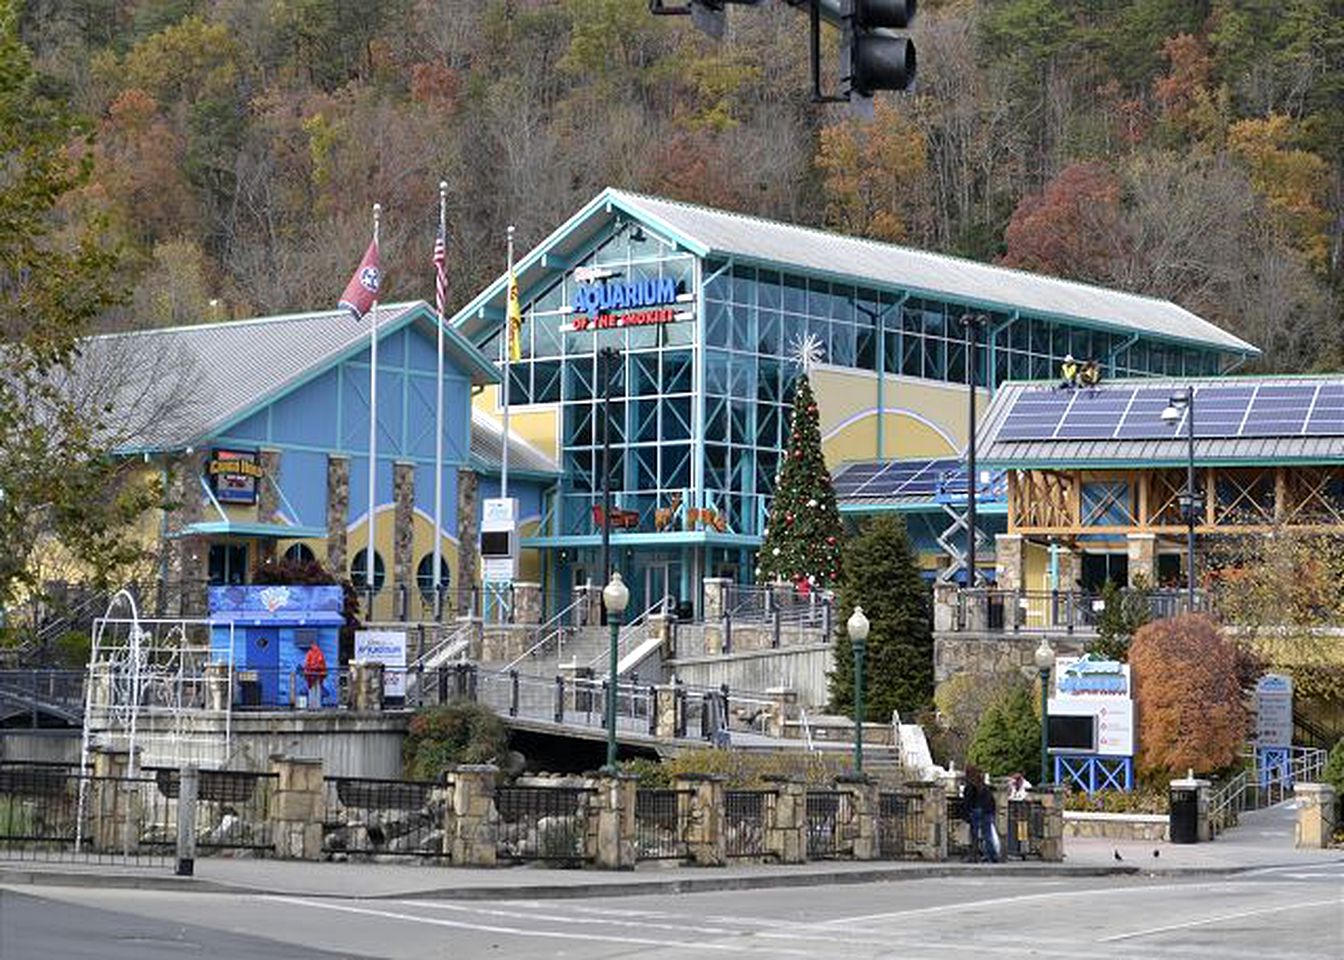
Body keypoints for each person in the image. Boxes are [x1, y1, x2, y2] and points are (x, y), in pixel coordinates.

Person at [302, 642, 327, 709]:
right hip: (318, 674)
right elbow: (322, 663)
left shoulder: (310, 653)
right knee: (318, 689)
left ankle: (311, 705)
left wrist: (307, 671)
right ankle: (318, 706)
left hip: (311, 674)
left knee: (311, 690)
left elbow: (307, 663)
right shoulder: (320, 653)